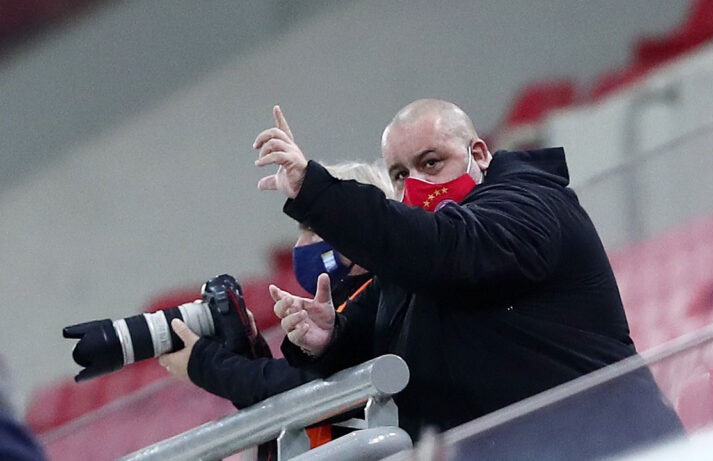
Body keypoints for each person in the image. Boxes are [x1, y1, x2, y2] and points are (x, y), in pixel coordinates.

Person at [254, 100, 684, 446]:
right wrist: (328, 337)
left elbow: (446, 248)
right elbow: (370, 336)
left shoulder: (530, 206)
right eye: (400, 174)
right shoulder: (409, 270)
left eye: (431, 162)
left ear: (478, 154)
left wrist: (315, 191)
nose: (415, 185)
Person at [158, 160, 394, 453]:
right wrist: (249, 352)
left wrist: (204, 363)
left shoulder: (386, 299)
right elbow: (289, 401)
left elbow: (301, 387)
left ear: (359, 225)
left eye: (313, 228)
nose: (301, 244)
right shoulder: (340, 306)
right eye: (302, 229)